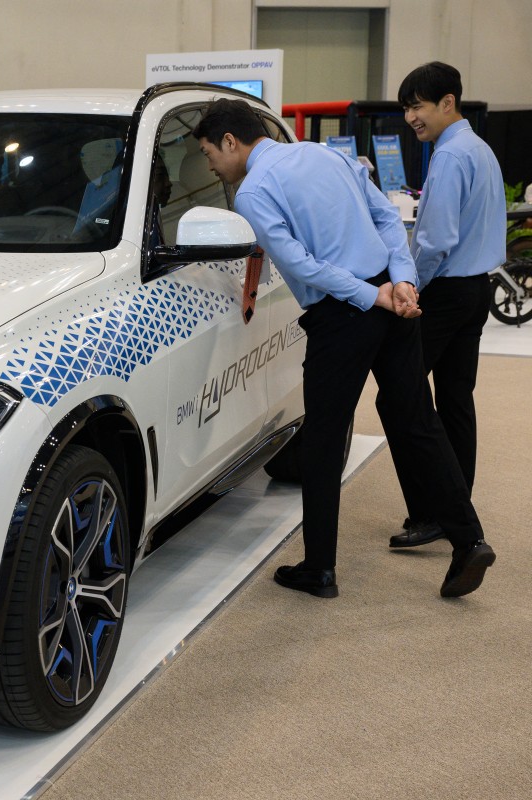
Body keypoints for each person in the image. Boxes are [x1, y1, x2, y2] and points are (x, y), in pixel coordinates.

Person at [192, 98, 495, 599]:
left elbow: (303, 264)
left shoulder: (254, 192)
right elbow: (386, 219)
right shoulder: (325, 155)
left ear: (230, 141)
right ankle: (469, 540)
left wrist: (369, 294)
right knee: (420, 422)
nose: (210, 165)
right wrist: (400, 280)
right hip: (390, 301)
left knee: (325, 439)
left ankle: (319, 569)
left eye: (208, 153)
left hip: (343, 313)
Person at [385, 62, 506, 549]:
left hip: (447, 292)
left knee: (400, 395)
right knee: (456, 400)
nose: (411, 117)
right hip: (477, 289)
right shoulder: (480, 149)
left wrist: (409, 283)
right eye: (407, 108)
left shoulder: (451, 157)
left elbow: (435, 241)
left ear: (447, 102)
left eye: (417, 106)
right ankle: (457, 506)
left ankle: (434, 512)